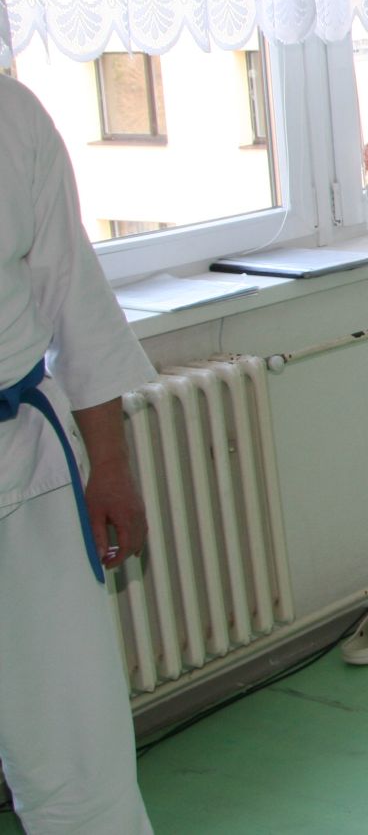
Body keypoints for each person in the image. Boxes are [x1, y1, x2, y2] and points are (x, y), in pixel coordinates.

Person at [1, 74, 157, 831]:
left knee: (79, 752)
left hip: (24, 464)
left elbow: (74, 297)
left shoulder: (11, 116)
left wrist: (112, 466)